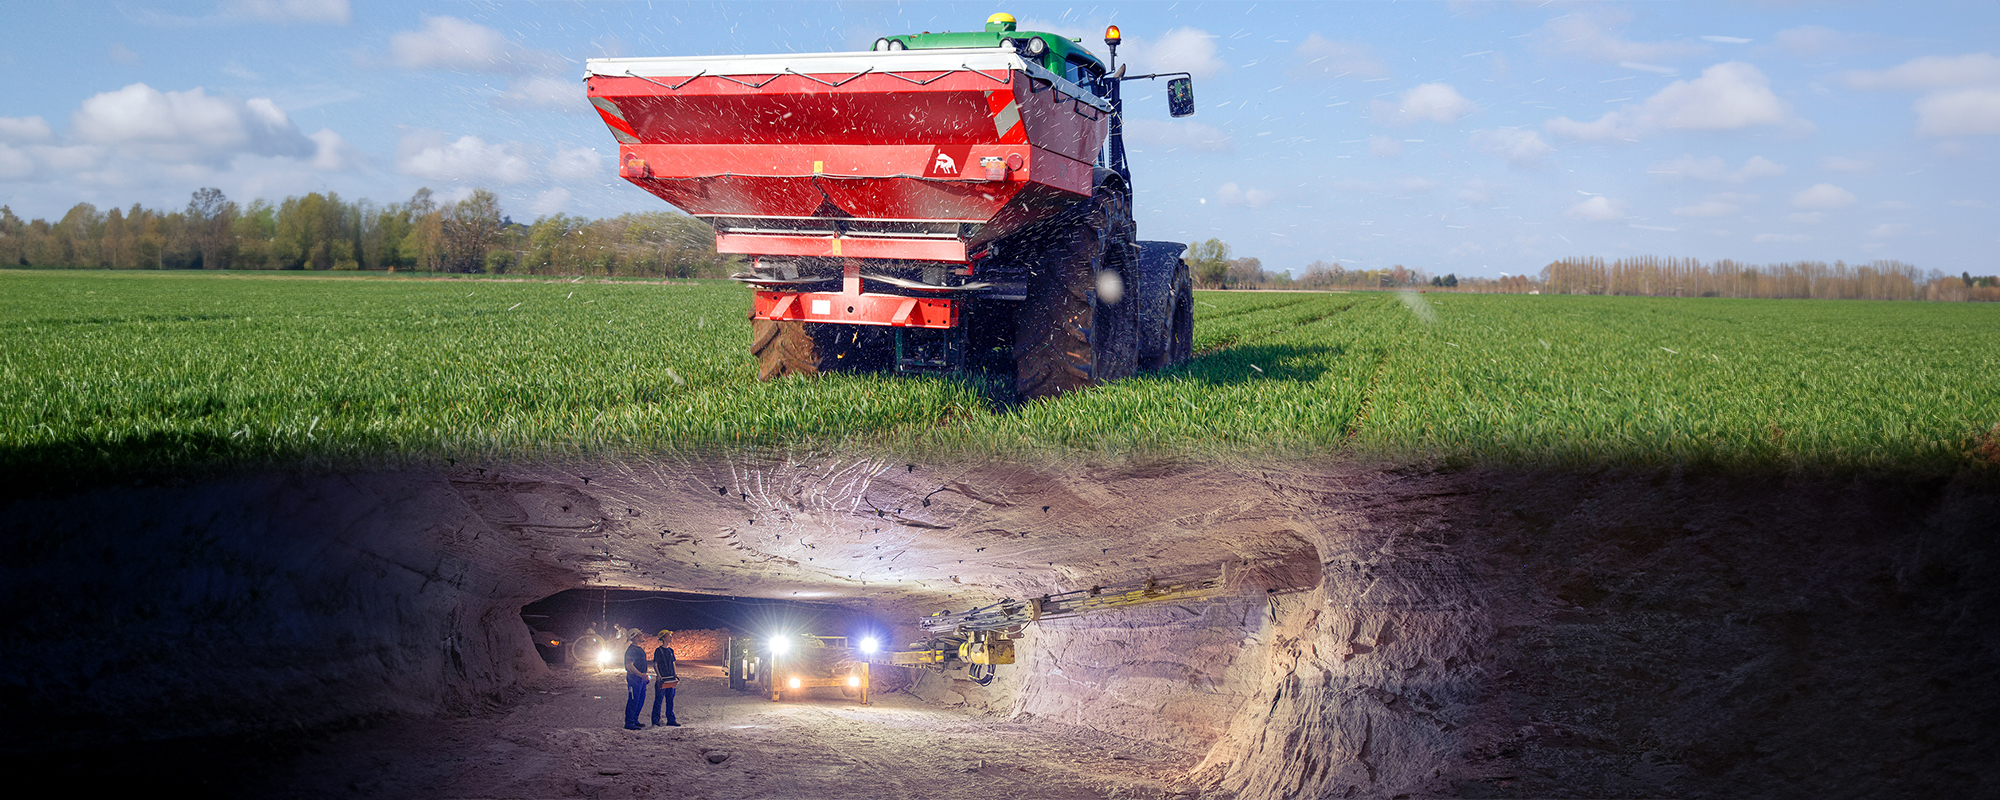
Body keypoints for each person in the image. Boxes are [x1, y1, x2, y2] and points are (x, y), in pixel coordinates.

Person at [622, 630, 653, 730]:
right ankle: (629, 723)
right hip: (634, 678)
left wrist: (644, 676)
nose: (642, 636)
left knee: (640, 700)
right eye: (640, 635)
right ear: (635, 637)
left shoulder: (639, 649)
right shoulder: (631, 651)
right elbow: (629, 666)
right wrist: (641, 674)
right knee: (633, 700)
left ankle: (634, 720)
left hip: (640, 678)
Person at [652, 629, 680, 727]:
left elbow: (673, 663)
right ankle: (655, 721)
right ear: (663, 638)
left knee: (670, 700)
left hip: (671, 678)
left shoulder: (670, 650)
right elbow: (655, 664)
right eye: (669, 636)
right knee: (659, 700)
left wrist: (675, 674)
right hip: (663, 679)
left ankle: (671, 720)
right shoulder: (658, 651)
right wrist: (659, 675)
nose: (671, 637)